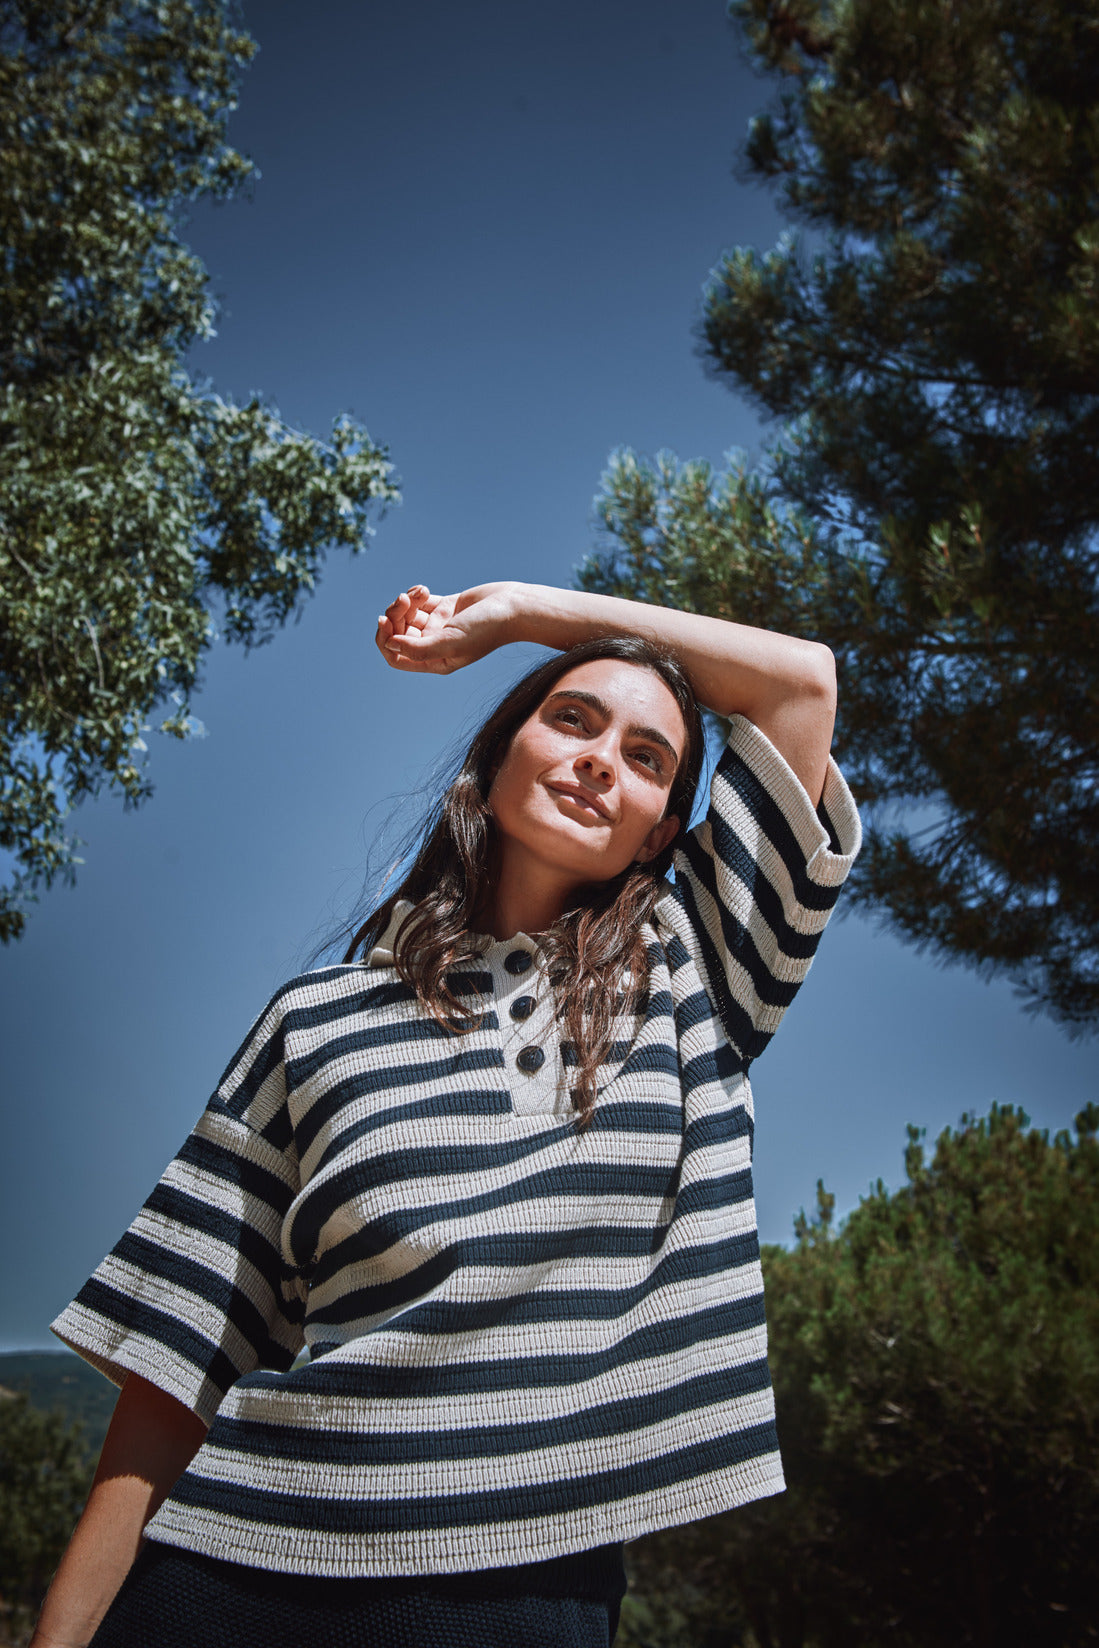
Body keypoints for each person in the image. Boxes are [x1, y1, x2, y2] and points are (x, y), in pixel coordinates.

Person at [33, 580, 861, 1648]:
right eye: (570, 717)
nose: (602, 756)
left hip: (518, 1583)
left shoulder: (695, 960)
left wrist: (517, 612)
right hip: (224, 1566)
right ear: (499, 754)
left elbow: (800, 683)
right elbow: (179, 1357)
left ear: (662, 832)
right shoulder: (315, 1020)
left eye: (648, 756)